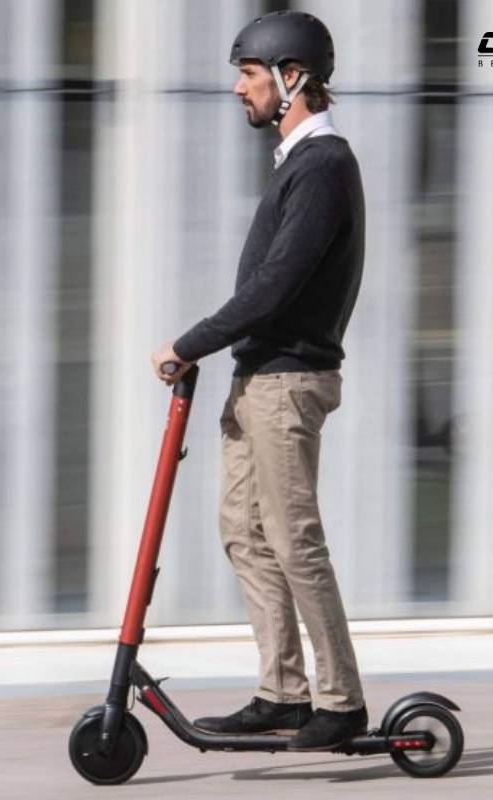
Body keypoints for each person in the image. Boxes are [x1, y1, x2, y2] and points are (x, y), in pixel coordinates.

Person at [149, 10, 368, 752]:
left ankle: (341, 701)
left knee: (294, 538)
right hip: (258, 377)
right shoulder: (297, 165)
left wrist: (189, 344)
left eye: (248, 74)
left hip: (287, 382)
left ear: (291, 78)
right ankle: (283, 693)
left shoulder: (324, 166)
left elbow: (275, 287)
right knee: (245, 533)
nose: (239, 88)